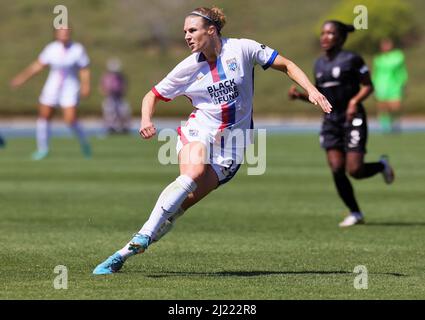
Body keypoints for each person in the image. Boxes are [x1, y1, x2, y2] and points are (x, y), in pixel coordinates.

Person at [93, 7, 332, 275]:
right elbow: (152, 95)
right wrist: (146, 120)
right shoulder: (187, 67)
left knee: (178, 209)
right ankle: (143, 234)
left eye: (192, 30)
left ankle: (123, 254)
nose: (187, 36)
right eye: (184, 31)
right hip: (200, 131)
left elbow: (286, 64)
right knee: (193, 172)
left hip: (232, 146)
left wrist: (311, 91)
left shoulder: (243, 49)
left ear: (211, 30)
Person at [288, 20, 395, 227]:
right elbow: (321, 96)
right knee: (337, 168)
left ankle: (381, 165)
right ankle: (355, 212)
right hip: (331, 121)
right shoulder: (318, 64)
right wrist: (301, 96)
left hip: (352, 118)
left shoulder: (352, 59)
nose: (324, 37)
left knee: (354, 170)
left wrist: (354, 101)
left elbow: (368, 86)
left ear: (341, 37)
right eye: (322, 33)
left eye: (330, 33)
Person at [10, 27, 92, 160]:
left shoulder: (77, 49)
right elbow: (38, 66)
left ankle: (85, 144)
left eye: (66, 32)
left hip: (69, 87)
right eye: (61, 32)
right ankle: (43, 149)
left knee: (70, 119)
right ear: (56, 34)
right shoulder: (51, 49)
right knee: (44, 116)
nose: (64, 35)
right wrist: (21, 78)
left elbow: (84, 69)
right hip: (52, 86)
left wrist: (85, 85)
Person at [372, 38, 408, 133]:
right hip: (381, 86)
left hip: (395, 86)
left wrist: (403, 83)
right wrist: (373, 85)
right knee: (383, 107)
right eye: (384, 45)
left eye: (387, 44)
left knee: (395, 107)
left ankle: (394, 122)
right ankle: (386, 127)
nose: (386, 47)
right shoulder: (378, 59)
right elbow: (376, 73)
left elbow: (402, 71)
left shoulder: (398, 56)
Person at [100, 58, 132, 134]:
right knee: (109, 111)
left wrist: (120, 92)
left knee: (124, 111)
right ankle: (110, 128)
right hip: (110, 98)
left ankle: (124, 128)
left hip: (119, 98)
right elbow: (103, 88)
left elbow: (124, 87)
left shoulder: (121, 77)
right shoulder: (106, 77)